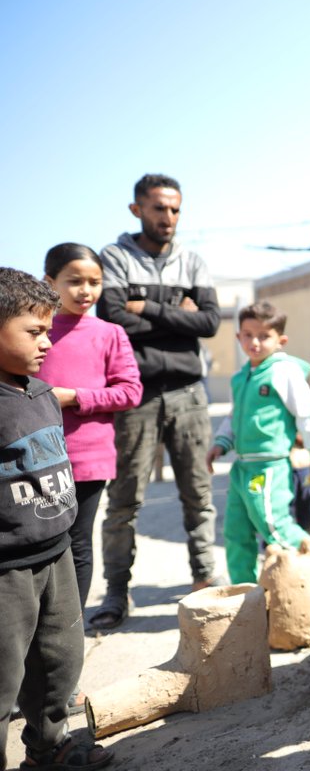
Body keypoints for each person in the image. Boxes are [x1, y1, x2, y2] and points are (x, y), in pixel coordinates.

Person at [90, 174, 222, 631]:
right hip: (135, 395)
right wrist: (176, 315)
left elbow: (208, 324)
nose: (168, 218)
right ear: (137, 210)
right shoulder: (114, 257)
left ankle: (205, 580)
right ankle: (115, 593)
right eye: (158, 208)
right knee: (125, 500)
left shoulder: (193, 261)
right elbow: (113, 319)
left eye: (175, 210)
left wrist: (145, 307)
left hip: (188, 395)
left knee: (198, 495)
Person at [0, 267, 114, 770]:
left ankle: (48, 748)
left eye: (49, 329)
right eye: (34, 331)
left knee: (59, 660)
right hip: (6, 572)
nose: (47, 342)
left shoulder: (44, 394)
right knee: (2, 676)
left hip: (56, 552)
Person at [37, 243, 143, 614]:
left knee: (77, 544)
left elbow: (130, 390)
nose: (86, 291)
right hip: (35, 458)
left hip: (87, 459)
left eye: (95, 282)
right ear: (49, 282)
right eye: (75, 281)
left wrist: (75, 397)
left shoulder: (110, 333)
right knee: (38, 544)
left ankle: (70, 635)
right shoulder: (33, 329)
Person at [205, 301, 310, 584]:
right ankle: (243, 590)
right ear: (238, 337)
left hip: (269, 468)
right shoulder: (241, 377)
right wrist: (221, 444)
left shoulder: (283, 372)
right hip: (241, 468)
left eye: (264, 336)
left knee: (274, 525)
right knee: (235, 532)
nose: (255, 342)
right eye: (248, 335)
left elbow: (307, 411)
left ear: (280, 341)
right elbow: (235, 414)